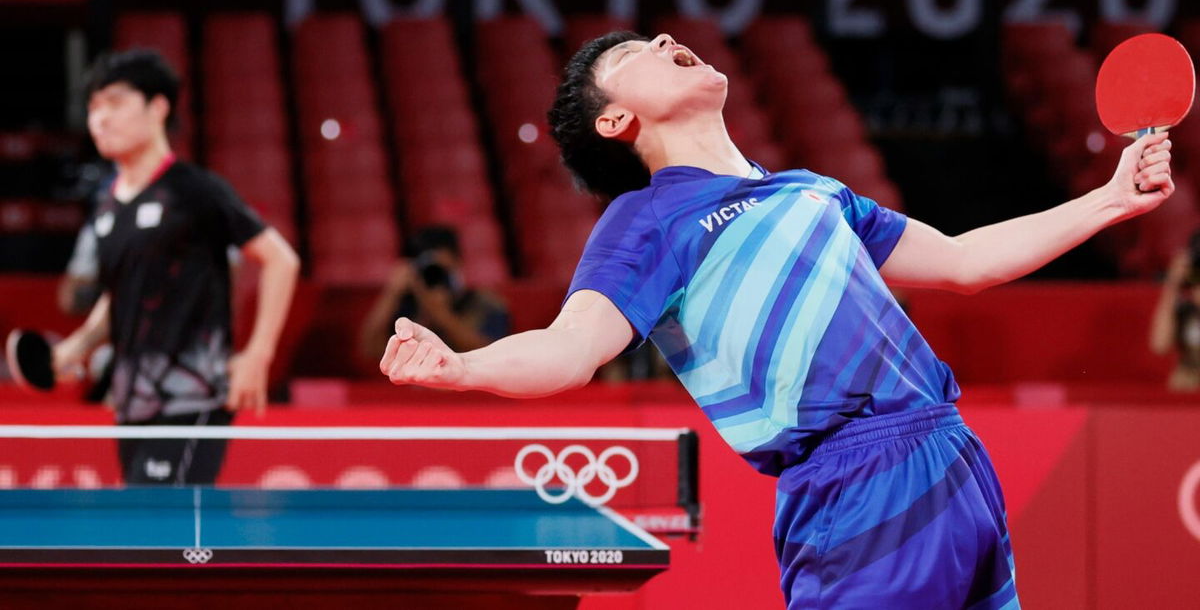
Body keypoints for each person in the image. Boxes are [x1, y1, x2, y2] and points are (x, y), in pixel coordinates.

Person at [378, 32, 1174, 607]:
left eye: (657, 35)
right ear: (618, 124)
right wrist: (465, 366)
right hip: (855, 486)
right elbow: (569, 347)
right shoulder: (646, 220)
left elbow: (966, 262)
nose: (663, 37)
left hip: (956, 457)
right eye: (632, 57)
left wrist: (1109, 199)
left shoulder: (811, 189)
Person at [53, 49, 300, 485]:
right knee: (151, 537)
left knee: (165, 531)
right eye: (92, 108)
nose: (100, 119)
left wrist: (257, 355)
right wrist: (76, 347)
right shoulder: (109, 207)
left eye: (114, 103)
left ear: (157, 107)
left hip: (192, 395)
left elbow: (280, 260)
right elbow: (120, 297)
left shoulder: (193, 190)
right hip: (131, 400)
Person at [360, 225, 509, 365]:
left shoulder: (485, 303)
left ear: (458, 263)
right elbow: (371, 350)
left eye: (441, 269)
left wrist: (440, 313)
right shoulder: (408, 306)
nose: (435, 276)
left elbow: (489, 354)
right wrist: (391, 294)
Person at [1149, 230, 1200, 392]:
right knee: (1182, 379)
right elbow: (1159, 346)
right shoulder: (1183, 308)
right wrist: (1172, 284)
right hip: (1189, 382)